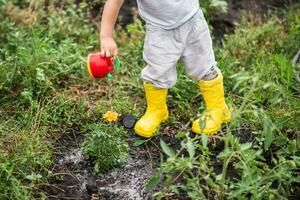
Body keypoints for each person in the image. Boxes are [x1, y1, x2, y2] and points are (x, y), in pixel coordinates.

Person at [100, 0, 231, 138]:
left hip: (192, 21)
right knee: (157, 70)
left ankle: (218, 109)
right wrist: (106, 36)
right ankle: (157, 110)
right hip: (158, 30)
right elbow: (114, 2)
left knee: (203, 65)